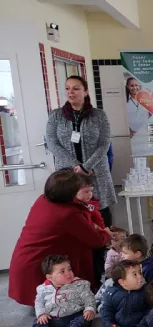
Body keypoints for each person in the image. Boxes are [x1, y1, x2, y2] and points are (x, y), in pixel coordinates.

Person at [9, 170, 111, 306]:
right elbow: (97, 240)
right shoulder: (68, 214)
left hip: (25, 260)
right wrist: (107, 232)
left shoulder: (43, 199)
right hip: (39, 266)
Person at [46, 75, 116, 227]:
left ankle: (104, 248)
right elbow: (52, 143)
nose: (71, 92)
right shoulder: (55, 116)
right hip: (67, 174)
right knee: (71, 212)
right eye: (67, 88)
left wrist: (86, 166)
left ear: (85, 92)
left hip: (95, 171)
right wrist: (75, 167)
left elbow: (104, 144)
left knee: (101, 213)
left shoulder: (99, 115)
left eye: (76, 89)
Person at [77, 260, 150, 327]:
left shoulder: (147, 291)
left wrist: (144, 325)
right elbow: (106, 310)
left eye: (140, 273)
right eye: (135, 274)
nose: (140, 277)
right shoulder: (112, 292)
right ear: (122, 282)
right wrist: (108, 324)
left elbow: (151, 310)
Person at [22, 255, 95, 327]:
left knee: (84, 318)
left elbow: (89, 298)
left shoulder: (80, 284)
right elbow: (39, 303)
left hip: (73, 315)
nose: (68, 273)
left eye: (69, 269)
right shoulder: (43, 289)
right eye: (62, 272)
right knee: (39, 320)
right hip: (52, 317)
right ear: (49, 277)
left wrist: (89, 309)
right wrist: (41, 314)